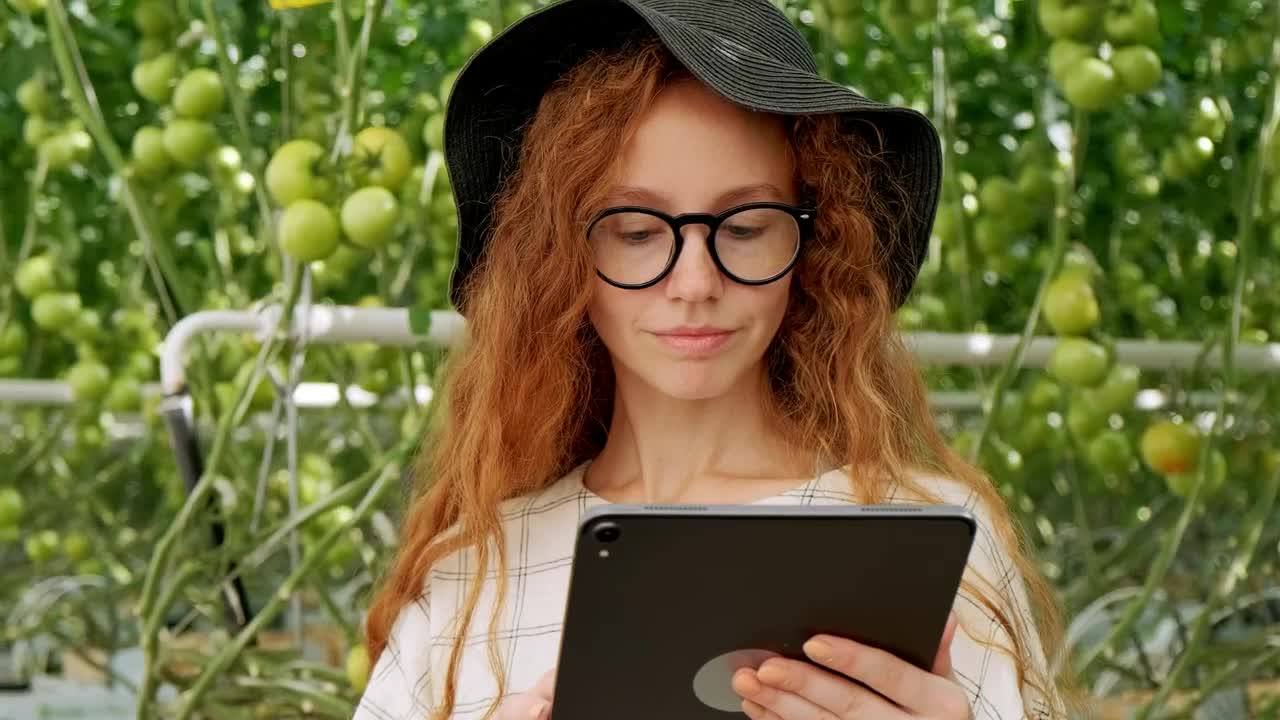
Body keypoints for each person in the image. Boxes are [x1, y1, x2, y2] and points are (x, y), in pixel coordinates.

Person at [355, 1, 1069, 718]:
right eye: (634, 231)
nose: (695, 282)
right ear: (559, 261)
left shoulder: (931, 544)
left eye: (748, 226)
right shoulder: (472, 568)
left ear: (813, 246)